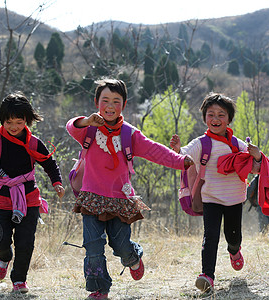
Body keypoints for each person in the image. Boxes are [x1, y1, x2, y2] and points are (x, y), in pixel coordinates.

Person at [66, 78, 193, 300]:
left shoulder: (129, 134)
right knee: (93, 247)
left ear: (123, 105)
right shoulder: (88, 130)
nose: (110, 105)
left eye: (116, 101)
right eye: (105, 100)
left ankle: (133, 257)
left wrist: (180, 161)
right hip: (91, 199)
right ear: (97, 102)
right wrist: (87, 121)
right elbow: (70, 126)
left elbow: (156, 151)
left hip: (120, 199)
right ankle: (99, 289)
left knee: (121, 244)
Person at [0, 92, 65, 293]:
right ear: (2, 121)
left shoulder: (34, 143)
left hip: (29, 200)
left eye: (18, 122)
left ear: (26, 120)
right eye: (9, 122)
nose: (13, 127)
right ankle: (3, 257)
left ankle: (19, 280)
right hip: (1, 200)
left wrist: (57, 183)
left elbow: (49, 163)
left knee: (25, 242)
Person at [170, 93, 262, 294]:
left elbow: (255, 168)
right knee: (210, 236)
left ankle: (234, 251)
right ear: (204, 119)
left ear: (229, 119)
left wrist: (257, 155)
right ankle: (207, 276)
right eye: (210, 114)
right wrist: (177, 149)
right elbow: (183, 156)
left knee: (233, 235)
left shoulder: (238, 144)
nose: (215, 119)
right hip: (210, 197)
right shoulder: (201, 143)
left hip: (235, 197)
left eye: (221, 115)